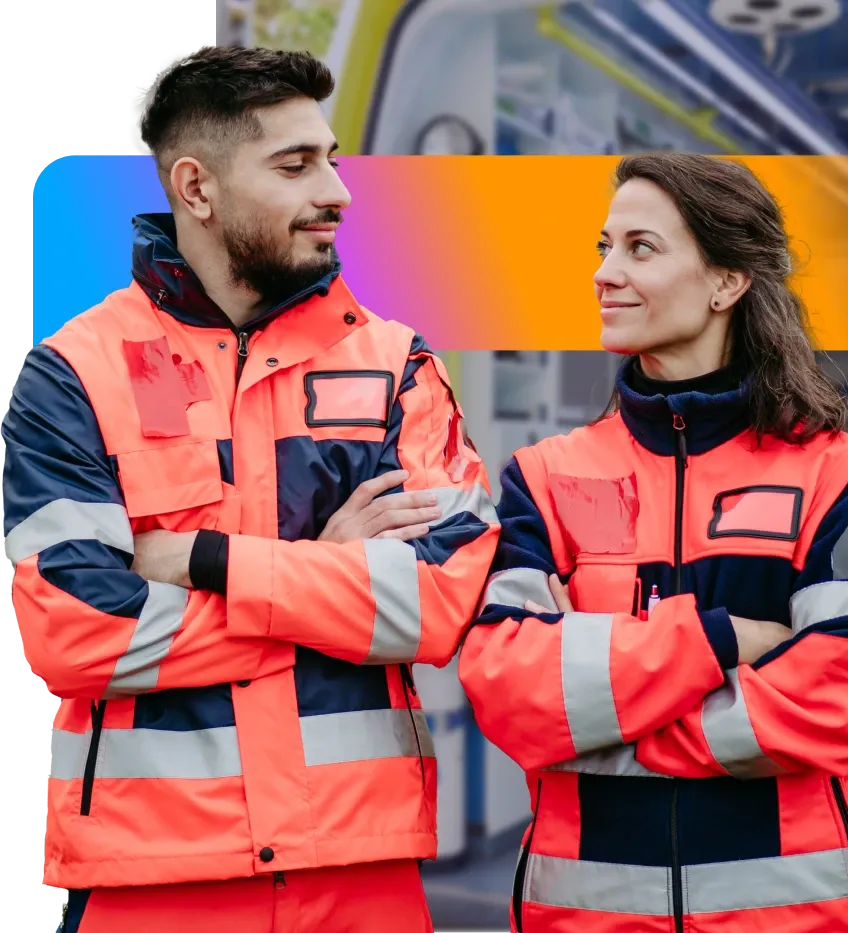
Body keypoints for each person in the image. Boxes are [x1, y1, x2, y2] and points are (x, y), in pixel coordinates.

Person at [8, 43, 498, 933]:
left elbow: (437, 607)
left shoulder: (398, 365)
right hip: (151, 882)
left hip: (364, 873)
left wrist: (202, 560)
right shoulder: (73, 376)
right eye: (295, 164)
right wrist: (325, 577)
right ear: (196, 188)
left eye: (334, 159)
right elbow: (77, 637)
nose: (338, 193)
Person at [459, 152, 848, 933]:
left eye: (640, 247)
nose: (604, 272)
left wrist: (601, 728)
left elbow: (838, 698)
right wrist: (718, 639)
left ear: (726, 282)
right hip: (588, 915)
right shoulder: (545, 478)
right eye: (603, 246)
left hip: (791, 914)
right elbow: (508, 691)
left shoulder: (836, 476)